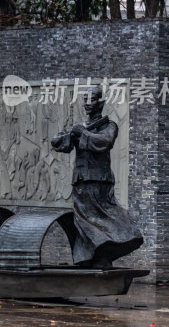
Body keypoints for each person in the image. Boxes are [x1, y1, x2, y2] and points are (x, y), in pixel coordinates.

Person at [51, 87, 143, 269]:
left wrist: (83, 133)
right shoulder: (81, 127)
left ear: (100, 103)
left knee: (103, 218)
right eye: (85, 99)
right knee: (82, 220)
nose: (87, 103)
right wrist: (66, 135)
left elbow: (104, 142)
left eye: (91, 99)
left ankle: (106, 254)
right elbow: (59, 144)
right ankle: (87, 258)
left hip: (99, 180)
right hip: (80, 180)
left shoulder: (109, 126)